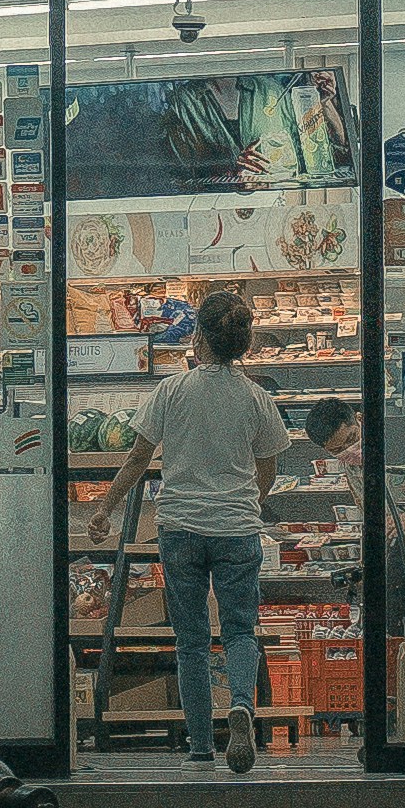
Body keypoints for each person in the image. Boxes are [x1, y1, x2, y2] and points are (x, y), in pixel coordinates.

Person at [86, 289, 292, 774]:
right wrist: (249, 503)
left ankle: (200, 747)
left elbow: (138, 457)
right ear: (244, 342)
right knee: (240, 630)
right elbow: (267, 467)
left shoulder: (172, 391)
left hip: (180, 527)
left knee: (191, 640)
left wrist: (105, 508)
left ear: (198, 336)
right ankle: (241, 704)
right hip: (236, 529)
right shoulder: (256, 398)